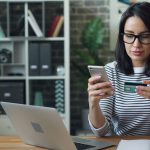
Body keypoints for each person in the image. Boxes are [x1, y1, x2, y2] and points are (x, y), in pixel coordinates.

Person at [87, 2, 150, 136]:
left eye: (145, 36)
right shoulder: (111, 71)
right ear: (122, 37)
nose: (136, 44)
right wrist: (93, 104)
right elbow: (102, 132)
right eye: (129, 35)